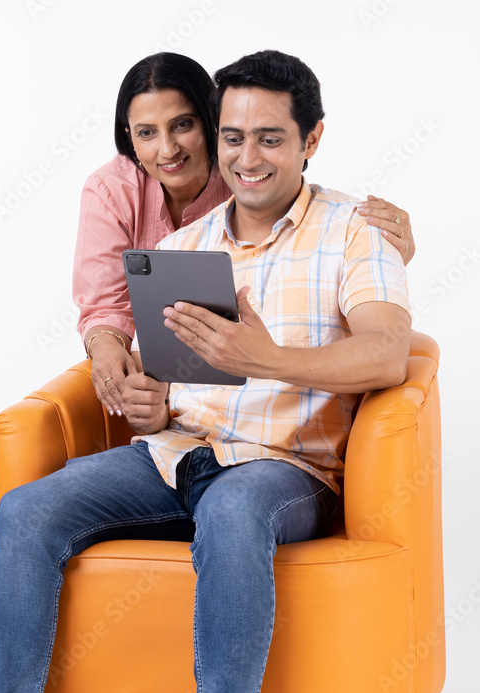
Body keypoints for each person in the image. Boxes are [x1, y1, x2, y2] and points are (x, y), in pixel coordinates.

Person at [0, 50, 411, 693]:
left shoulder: (354, 231)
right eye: (234, 137)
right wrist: (142, 397)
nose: (248, 158)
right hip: (178, 454)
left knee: (235, 514)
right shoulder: (181, 248)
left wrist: (268, 357)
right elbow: (159, 384)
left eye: (271, 139)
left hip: (283, 466)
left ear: (311, 139)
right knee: (27, 511)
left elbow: (387, 351)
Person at [74, 52, 414, 418]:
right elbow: (123, 320)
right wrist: (130, 377)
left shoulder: (298, 205)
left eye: (183, 125)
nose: (168, 149)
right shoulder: (142, 215)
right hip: (175, 447)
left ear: (207, 125)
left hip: (277, 449)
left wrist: (386, 253)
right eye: (146, 132)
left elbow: (381, 346)